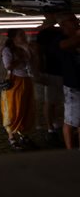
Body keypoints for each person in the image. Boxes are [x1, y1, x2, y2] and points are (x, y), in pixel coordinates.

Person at [1, 28, 36, 150]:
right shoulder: (8, 50)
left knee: (26, 109)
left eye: (24, 34)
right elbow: (8, 65)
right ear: (13, 38)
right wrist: (21, 58)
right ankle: (11, 137)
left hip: (27, 80)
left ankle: (23, 134)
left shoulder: (27, 47)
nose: (24, 37)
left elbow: (34, 62)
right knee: (14, 110)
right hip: (15, 81)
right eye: (21, 35)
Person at [35, 10, 65, 144]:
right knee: (50, 101)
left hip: (61, 70)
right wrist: (39, 71)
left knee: (57, 100)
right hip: (51, 70)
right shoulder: (43, 33)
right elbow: (38, 53)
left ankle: (55, 123)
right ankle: (50, 127)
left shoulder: (59, 31)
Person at [56, 12, 80, 150]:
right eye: (73, 20)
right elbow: (64, 46)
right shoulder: (61, 39)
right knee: (70, 121)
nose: (77, 22)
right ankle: (70, 152)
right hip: (73, 86)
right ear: (64, 24)